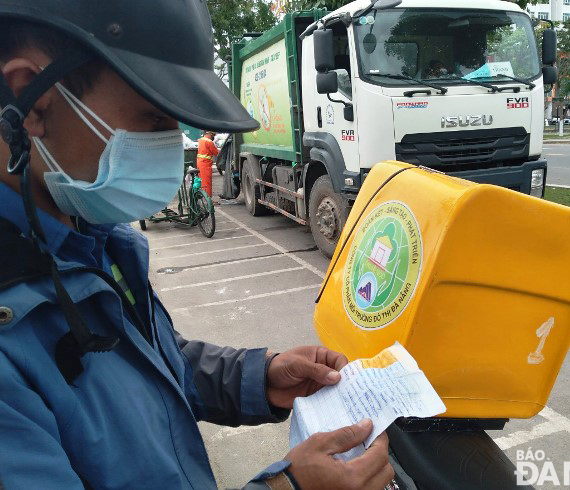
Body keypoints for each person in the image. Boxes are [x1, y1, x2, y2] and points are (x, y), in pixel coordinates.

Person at [0, 1, 393, 489]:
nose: (174, 145)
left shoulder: (90, 239)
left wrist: (261, 378)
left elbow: (149, 362)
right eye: (154, 120)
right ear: (33, 99)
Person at [197, 130, 218, 196]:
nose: (213, 137)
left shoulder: (201, 140)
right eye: (213, 136)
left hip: (200, 162)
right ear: (210, 134)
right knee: (207, 182)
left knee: (202, 181)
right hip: (205, 164)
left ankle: (204, 198)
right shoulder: (209, 142)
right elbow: (216, 152)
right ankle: (208, 200)